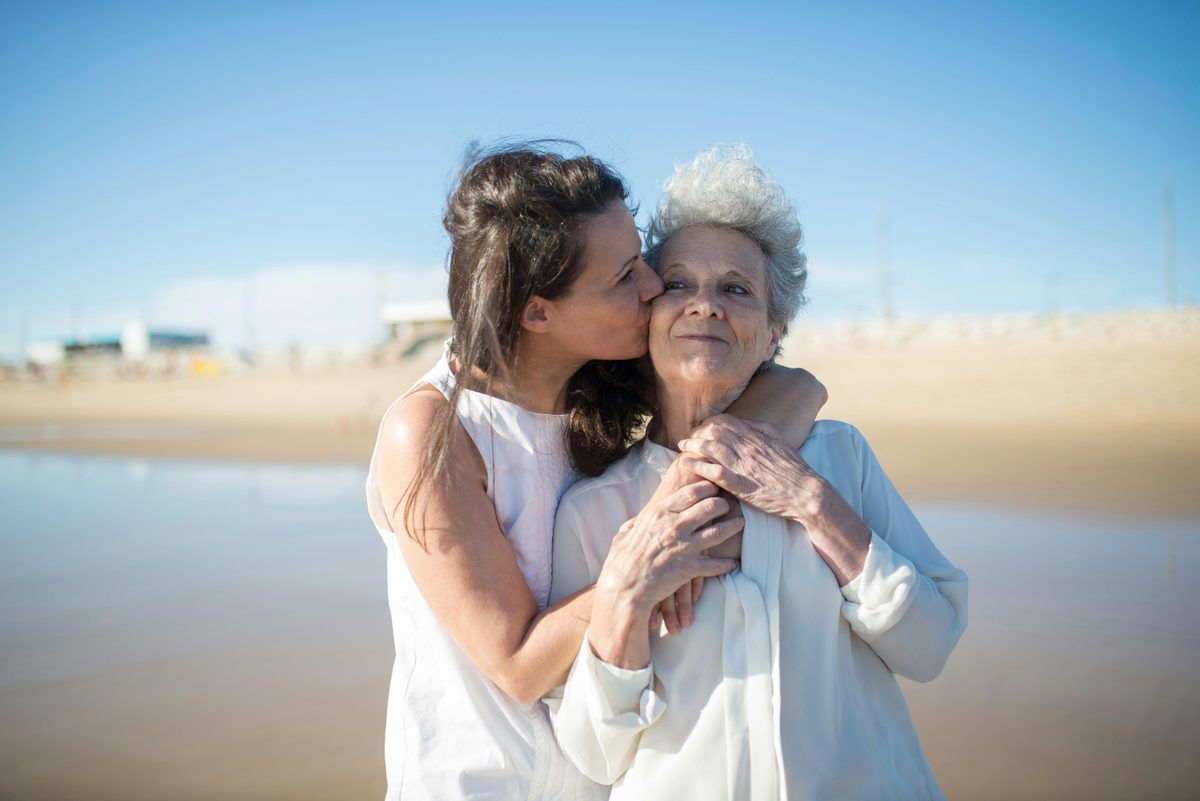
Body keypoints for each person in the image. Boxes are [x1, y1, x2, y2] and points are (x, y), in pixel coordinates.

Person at [364, 142, 829, 799]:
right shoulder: (434, 431)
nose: (651, 286)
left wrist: (685, 500)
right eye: (622, 277)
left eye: (641, 258)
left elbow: (793, 387)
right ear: (537, 312)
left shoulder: (606, 380)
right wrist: (640, 565)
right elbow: (519, 666)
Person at [547, 145, 969, 800]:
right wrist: (625, 595)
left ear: (774, 333)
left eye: (736, 289)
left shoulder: (839, 458)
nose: (705, 305)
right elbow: (595, 754)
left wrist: (810, 502)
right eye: (679, 283)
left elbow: (931, 646)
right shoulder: (593, 508)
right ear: (647, 314)